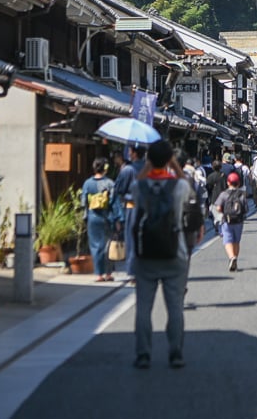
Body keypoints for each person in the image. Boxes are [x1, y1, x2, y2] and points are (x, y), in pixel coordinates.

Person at [128, 140, 192, 369]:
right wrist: (173, 164)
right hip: (174, 252)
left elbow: (137, 182)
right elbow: (185, 185)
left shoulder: (140, 187)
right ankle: (176, 353)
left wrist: (150, 164)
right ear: (169, 160)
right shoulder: (179, 187)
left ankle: (143, 354)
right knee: (175, 307)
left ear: (148, 160)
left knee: (143, 307)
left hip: (146, 254)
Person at [114, 144, 146, 282]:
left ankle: (134, 272)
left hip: (133, 207)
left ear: (133, 153)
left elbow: (118, 190)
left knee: (132, 239)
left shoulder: (127, 170)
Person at [82, 157, 116, 282]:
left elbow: (83, 202)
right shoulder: (109, 183)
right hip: (106, 216)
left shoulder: (87, 183)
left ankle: (99, 274)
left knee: (95, 245)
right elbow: (114, 202)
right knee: (107, 245)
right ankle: (108, 273)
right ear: (105, 168)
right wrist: (118, 219)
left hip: (92, 216)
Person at [213, 172, 246, 272]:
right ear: (238, 183)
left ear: (228, 182)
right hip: (239, 221)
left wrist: (223, 211)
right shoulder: (242, 194)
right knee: (236, 241)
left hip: (227, 220)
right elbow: (245, 208)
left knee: (227, 240)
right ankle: (235, 257)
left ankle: (232, 257)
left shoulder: (224, 194)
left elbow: (218, 208)